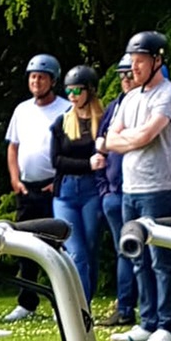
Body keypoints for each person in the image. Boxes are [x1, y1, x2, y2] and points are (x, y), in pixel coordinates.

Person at [98, 30, 171, 341]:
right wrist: (128, 140)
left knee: (161, 260)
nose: (134, 67)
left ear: (157, 61)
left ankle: (167, 326)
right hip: (130, 188)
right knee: (137, 258)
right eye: (132, 61)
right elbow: (109, 139)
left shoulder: (170, 94)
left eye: (140, 61)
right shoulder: (131, 98)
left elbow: (146, 136)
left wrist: (127, 139)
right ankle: (147, 321)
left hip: (158, 188)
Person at [3, 54, 71, 322]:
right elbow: (13, 147)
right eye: (32, 77)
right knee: (25, 247)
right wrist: (15, 178)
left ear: (52, 81)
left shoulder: (66, 109)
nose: (36, 82)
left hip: (53, 188)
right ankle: (26, 302)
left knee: (58, 246)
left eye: (41, 77)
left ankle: (61, 302)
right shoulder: (22, 110)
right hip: (26, 188)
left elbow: (72, 148)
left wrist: (59, 179)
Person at [51, 64, 105, 301]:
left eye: (77, 90)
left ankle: (87, 300)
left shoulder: (103, 121)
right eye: (68, 91)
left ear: (89, 91)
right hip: (65, 193)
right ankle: (79, 304)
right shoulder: (62, 122)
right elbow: (56, 160)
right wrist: (87, 164)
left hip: (92, 191)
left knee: (91, 248)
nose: (72, 96)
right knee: (76, 252)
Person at [94, 55, 138, 327]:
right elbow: (100, 147)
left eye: (130, 74)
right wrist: (104, 189)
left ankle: (153, 312)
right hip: (114, 193)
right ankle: (125, 308)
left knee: (148, 253)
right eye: (122, 75)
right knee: (125, 251)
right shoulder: (113, 108)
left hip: (142, 188)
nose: (126, 80)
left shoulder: (150, 107)